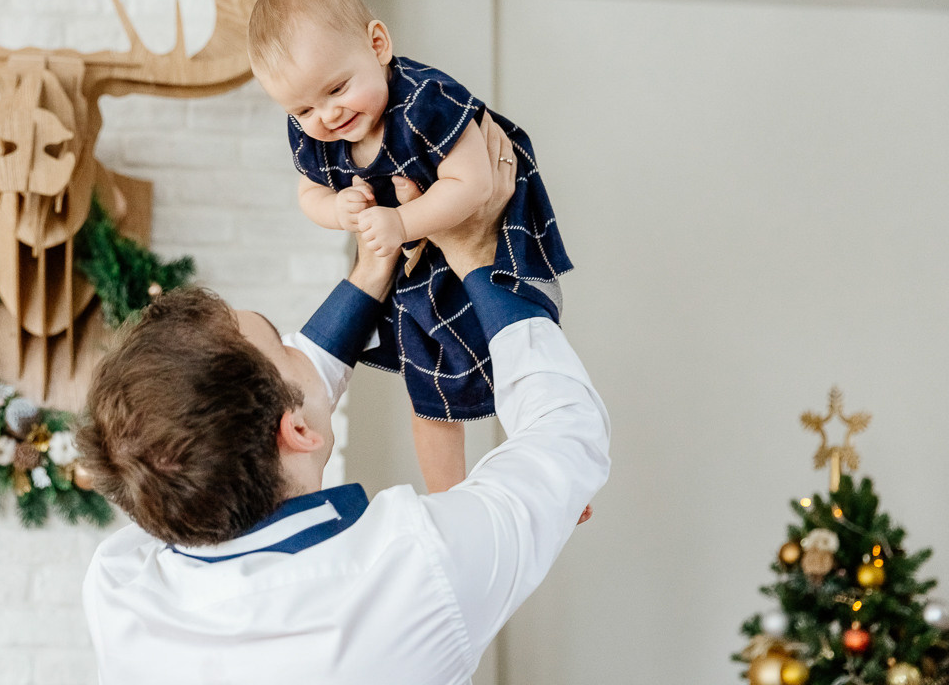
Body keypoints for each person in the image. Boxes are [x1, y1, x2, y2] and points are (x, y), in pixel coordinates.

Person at [76, 117, 610, 684]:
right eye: (284, 347)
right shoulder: (415, 570)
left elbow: (276, 406)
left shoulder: (122, 588)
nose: (299, 347)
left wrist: (374, 267)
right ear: (296, 433)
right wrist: (477, 258)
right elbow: (566, 430)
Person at [247, 0, 573, 492]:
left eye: (337, 88)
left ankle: (557, 480)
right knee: (430, 400)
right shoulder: (312, 134)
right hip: (419, 273)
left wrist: (401, 220)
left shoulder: (426, 101)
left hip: (492, 243)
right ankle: (448, 499)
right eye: (303, 108)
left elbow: (473, 183)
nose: (326, 116)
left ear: (377, 44)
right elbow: (308, 193)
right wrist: (338, 210)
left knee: (519, 360)